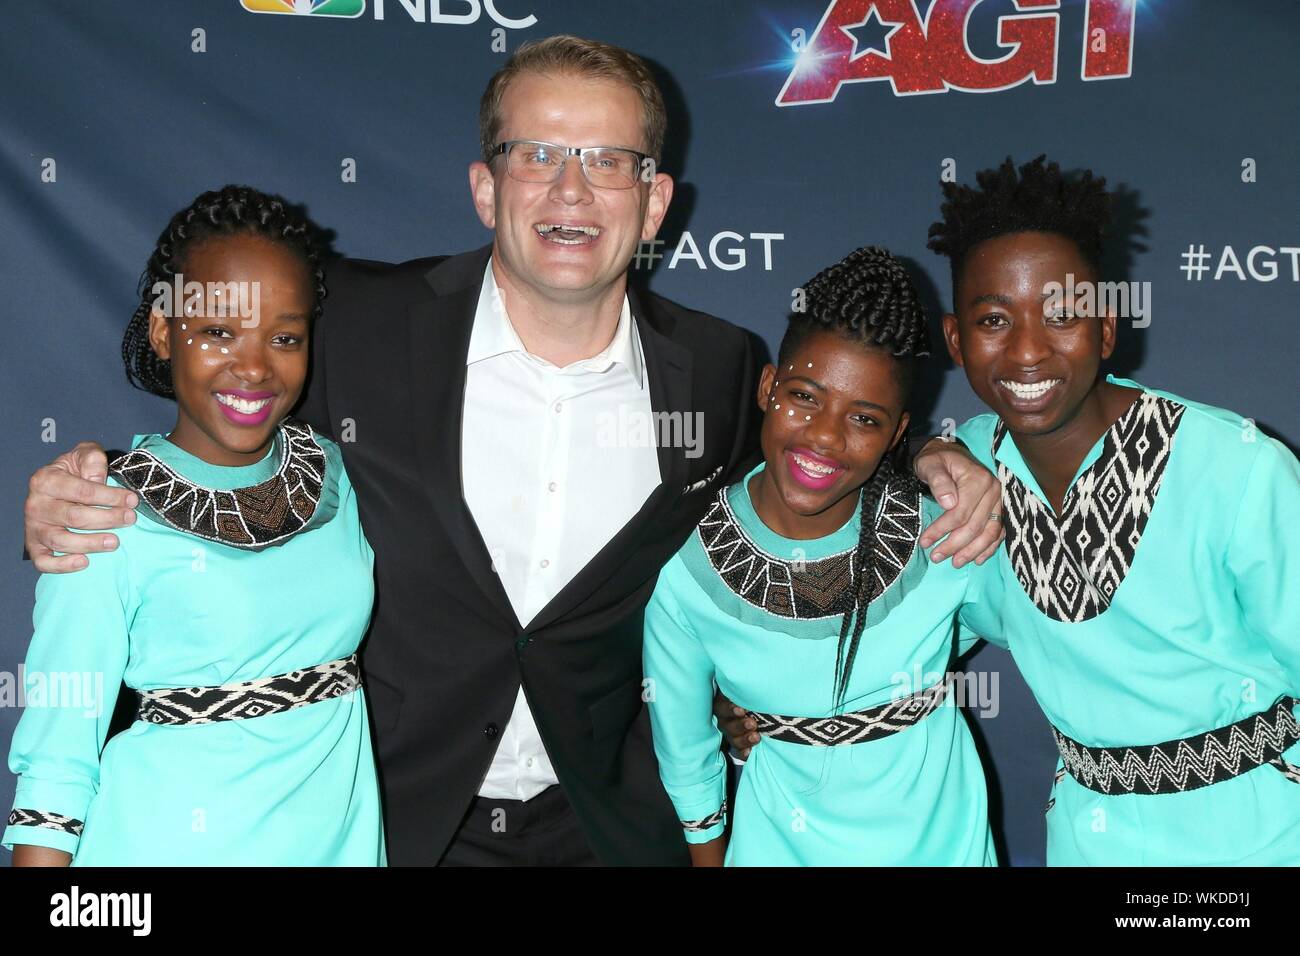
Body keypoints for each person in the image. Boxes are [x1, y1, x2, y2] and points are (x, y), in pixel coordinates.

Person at [19, 37, 1001, 866]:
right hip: (388, 826)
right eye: (538, 154)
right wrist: (89, 481)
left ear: (655, 203)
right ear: (486, 188)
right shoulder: (358, 323)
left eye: (608, 160)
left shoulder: (716, 369)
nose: (571, 189)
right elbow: (226, 416)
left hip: (609, 827)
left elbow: (811, 467)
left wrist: (927, 461)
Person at [927, 156, 1300, 864]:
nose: (1028, 350)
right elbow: (897, 636)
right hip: (1091, 838)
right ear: (955, 341)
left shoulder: (1235, 468)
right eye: (994, 319)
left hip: (1262, 835)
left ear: (1106, 327)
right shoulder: (968, 470)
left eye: (1062, 314)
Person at [5, 185, 384, 866]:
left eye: (284, 337)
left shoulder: (338, 475)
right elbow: (57, 763)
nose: (253, 366)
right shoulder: (101, 511)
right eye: (217, 331)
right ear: (161, 330)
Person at [644, 247, 1003, 866]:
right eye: (805, 396)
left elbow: (1043, 625)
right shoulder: (688, 567)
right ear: (767, 386)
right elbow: (686, 757)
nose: (825, 436)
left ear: (896, 434)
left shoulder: (944, 532)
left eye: (864, 418)